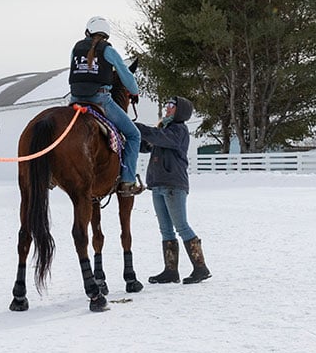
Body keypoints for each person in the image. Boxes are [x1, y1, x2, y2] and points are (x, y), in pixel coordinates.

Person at [137, 96, 210, 284]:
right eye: (167, 105)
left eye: (171, 106)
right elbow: (146, 145)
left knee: (181, 226)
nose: (167, 108)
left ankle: (201, 268)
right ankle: (171, 271)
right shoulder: (165, 129)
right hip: (158, 184)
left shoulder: (178, 130)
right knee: (165, 230)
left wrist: (137, 127)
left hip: (173, 185)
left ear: (180, 111)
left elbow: (158, 138)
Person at [67, 16, 143, 196]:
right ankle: (127, 181)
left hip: (75, 100)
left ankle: (49, 173)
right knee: (134, 135)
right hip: (101, 101)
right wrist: (134, 90)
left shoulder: (76, 48)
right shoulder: (109, 51)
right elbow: (126, 76)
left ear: (87, 32)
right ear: (106, 35)